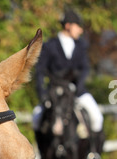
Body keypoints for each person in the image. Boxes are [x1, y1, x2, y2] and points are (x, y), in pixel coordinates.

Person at [33, 9, 104, 151]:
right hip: (55, 92)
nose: (81, 30)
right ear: (68, 26)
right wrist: (43, 95)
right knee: (36, 117)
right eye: (78, 26)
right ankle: (41, 155)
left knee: (97, 117)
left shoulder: (81, 45)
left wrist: (77, 88)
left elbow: (85, 69)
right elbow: (40, 71)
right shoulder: (49, 46)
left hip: (77, 91)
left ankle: (94, 155)